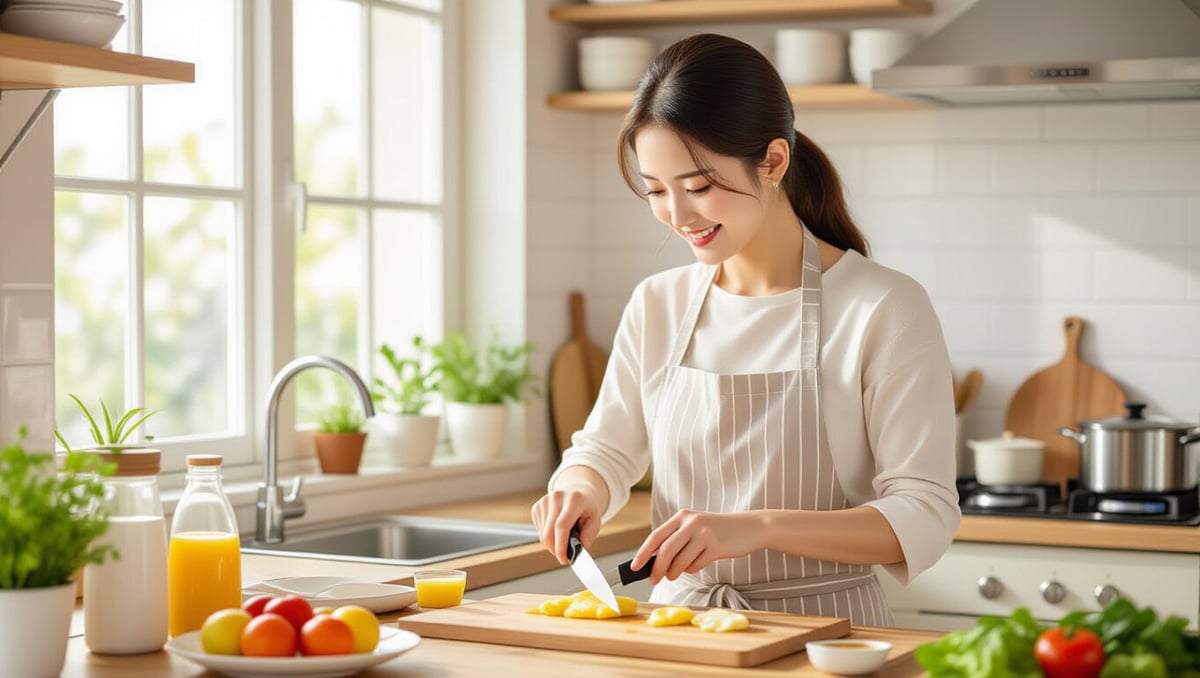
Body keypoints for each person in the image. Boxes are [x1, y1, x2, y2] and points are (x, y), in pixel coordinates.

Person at [531, 33, 959, 626]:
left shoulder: (883, 306)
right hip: (680, 633)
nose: (678, 217)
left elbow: (925, 514)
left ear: (774, 161)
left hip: (826, 637)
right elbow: (604, 449)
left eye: (699, 187)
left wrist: (757, 528)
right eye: (656, 192)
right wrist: (581, 488)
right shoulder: (658, 303)